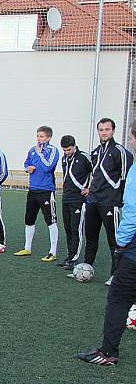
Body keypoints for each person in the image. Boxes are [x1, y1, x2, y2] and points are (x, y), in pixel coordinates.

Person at [76, 122, 136, 366]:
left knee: (119, 296)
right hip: (96, 201)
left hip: (132, 245)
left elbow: (132, 210)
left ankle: (108, 352)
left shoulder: (127, 159)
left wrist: (120, 243)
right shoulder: (96, 152)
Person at [82, 118, 133, 285]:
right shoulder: (95, 152)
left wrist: (120, 201)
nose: (104, 132)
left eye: (107, 129)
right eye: (101, 130)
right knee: (90, 237)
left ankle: (115, 274)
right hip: (93, 201)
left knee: (114, 240)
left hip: (110, 203)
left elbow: (125, 179)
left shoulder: (121, 152)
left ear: (113, 131)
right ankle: (86, 267)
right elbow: (94, 176)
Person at [14, 126, 60, 261]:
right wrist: (27, 169)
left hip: (46, 190)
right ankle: (27, 248)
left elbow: (48, 167)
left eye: (42, 136)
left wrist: (40, 153)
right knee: (29, 219)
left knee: (50, 220)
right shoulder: (32, 150)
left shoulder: (53, 150)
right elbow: (26, 163)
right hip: (33, 190)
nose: (39, 139)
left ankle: (53, 252)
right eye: (38, 136)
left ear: (49, 138)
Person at [58, 135, 92, 271]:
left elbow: (96, 171)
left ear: (74, 145)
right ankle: (69, 256)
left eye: (68, 150)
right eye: (64, 150)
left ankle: (74, 258)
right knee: (67, 228)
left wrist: (90, 188)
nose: (66, 152)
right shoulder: (64, 159)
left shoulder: (84, 157)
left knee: (75, 228)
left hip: (79, 199)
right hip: (66, 197)